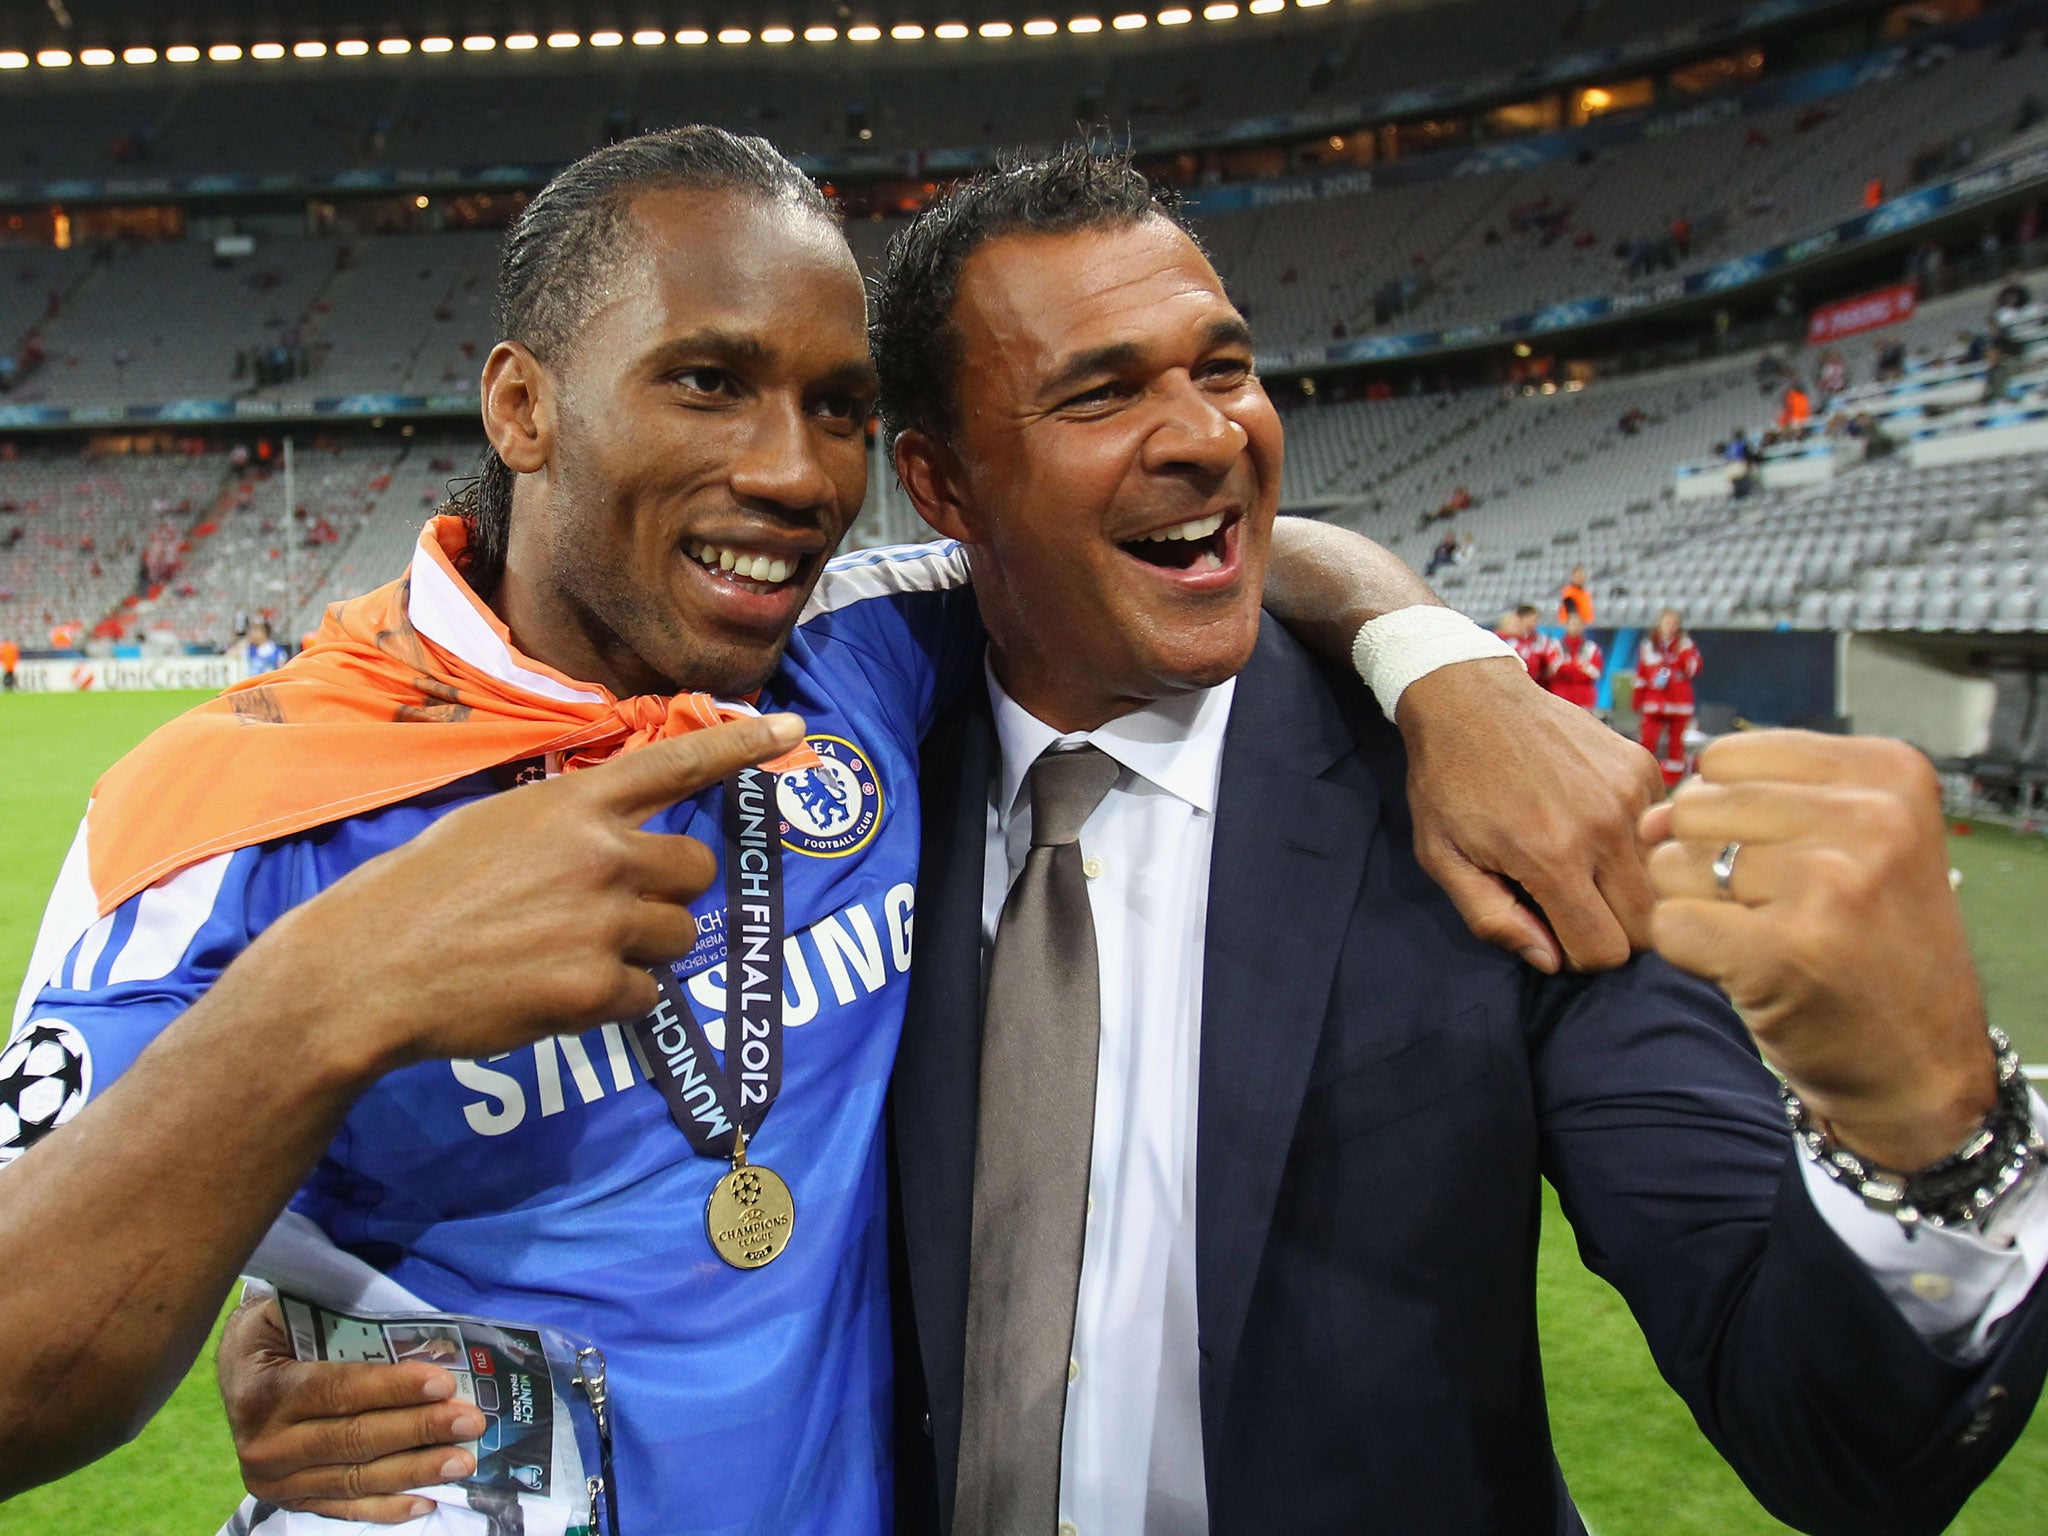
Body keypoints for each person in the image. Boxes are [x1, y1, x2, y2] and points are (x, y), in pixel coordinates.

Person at [0, 130, 1654, 1525]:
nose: (795, 472)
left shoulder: (865, 654)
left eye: (839, 405)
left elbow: (1180, 530)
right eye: (707, 382)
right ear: (524, 408)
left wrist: (1442, 667)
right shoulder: (233, 810)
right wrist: (323, 996)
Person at [858, 152, 2046, 1535]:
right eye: (1103, 391)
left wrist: (1927, 1135)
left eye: (1225, 367)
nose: (1205, 434)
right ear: (939, 483)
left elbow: (1840, 1445)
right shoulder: (850, 794)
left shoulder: (1500, 813)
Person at [1636, 607, 1701, 787]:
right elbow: (1641, 676)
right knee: (1647, 742)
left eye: (1674, 622)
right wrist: (1637, 700)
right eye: (1666, 621)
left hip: (1679, 704)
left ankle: (1671, 783)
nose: (1670, 626)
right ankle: (1643, 778)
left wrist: (1682, 656)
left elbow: (1694, 669)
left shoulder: (1685, 645)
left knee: (1676, 746)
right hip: (1654, 703)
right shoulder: (1648, 646)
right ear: (1660, 623)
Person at [1547, 610, 1602, 710]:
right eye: (1573, 623)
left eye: (1579, 624)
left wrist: (1568, 667)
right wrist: (1579, 667)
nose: (1576, 627)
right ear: (1566, 625)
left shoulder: (1591, 647)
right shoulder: (1555, 645)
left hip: (1584, 697)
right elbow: (1552, 669)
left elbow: (1596, 673)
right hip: (1561, 695)